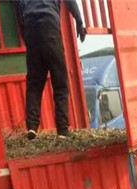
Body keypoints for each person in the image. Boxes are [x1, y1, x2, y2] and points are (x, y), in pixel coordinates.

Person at [14, 0, 87, 140]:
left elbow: (17, 6)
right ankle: (62, 129)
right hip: (49, 25)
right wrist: (79, 22)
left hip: (31, 27)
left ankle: (32, 127)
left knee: (34, 83)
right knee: (60, 82)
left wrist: (26, 33)